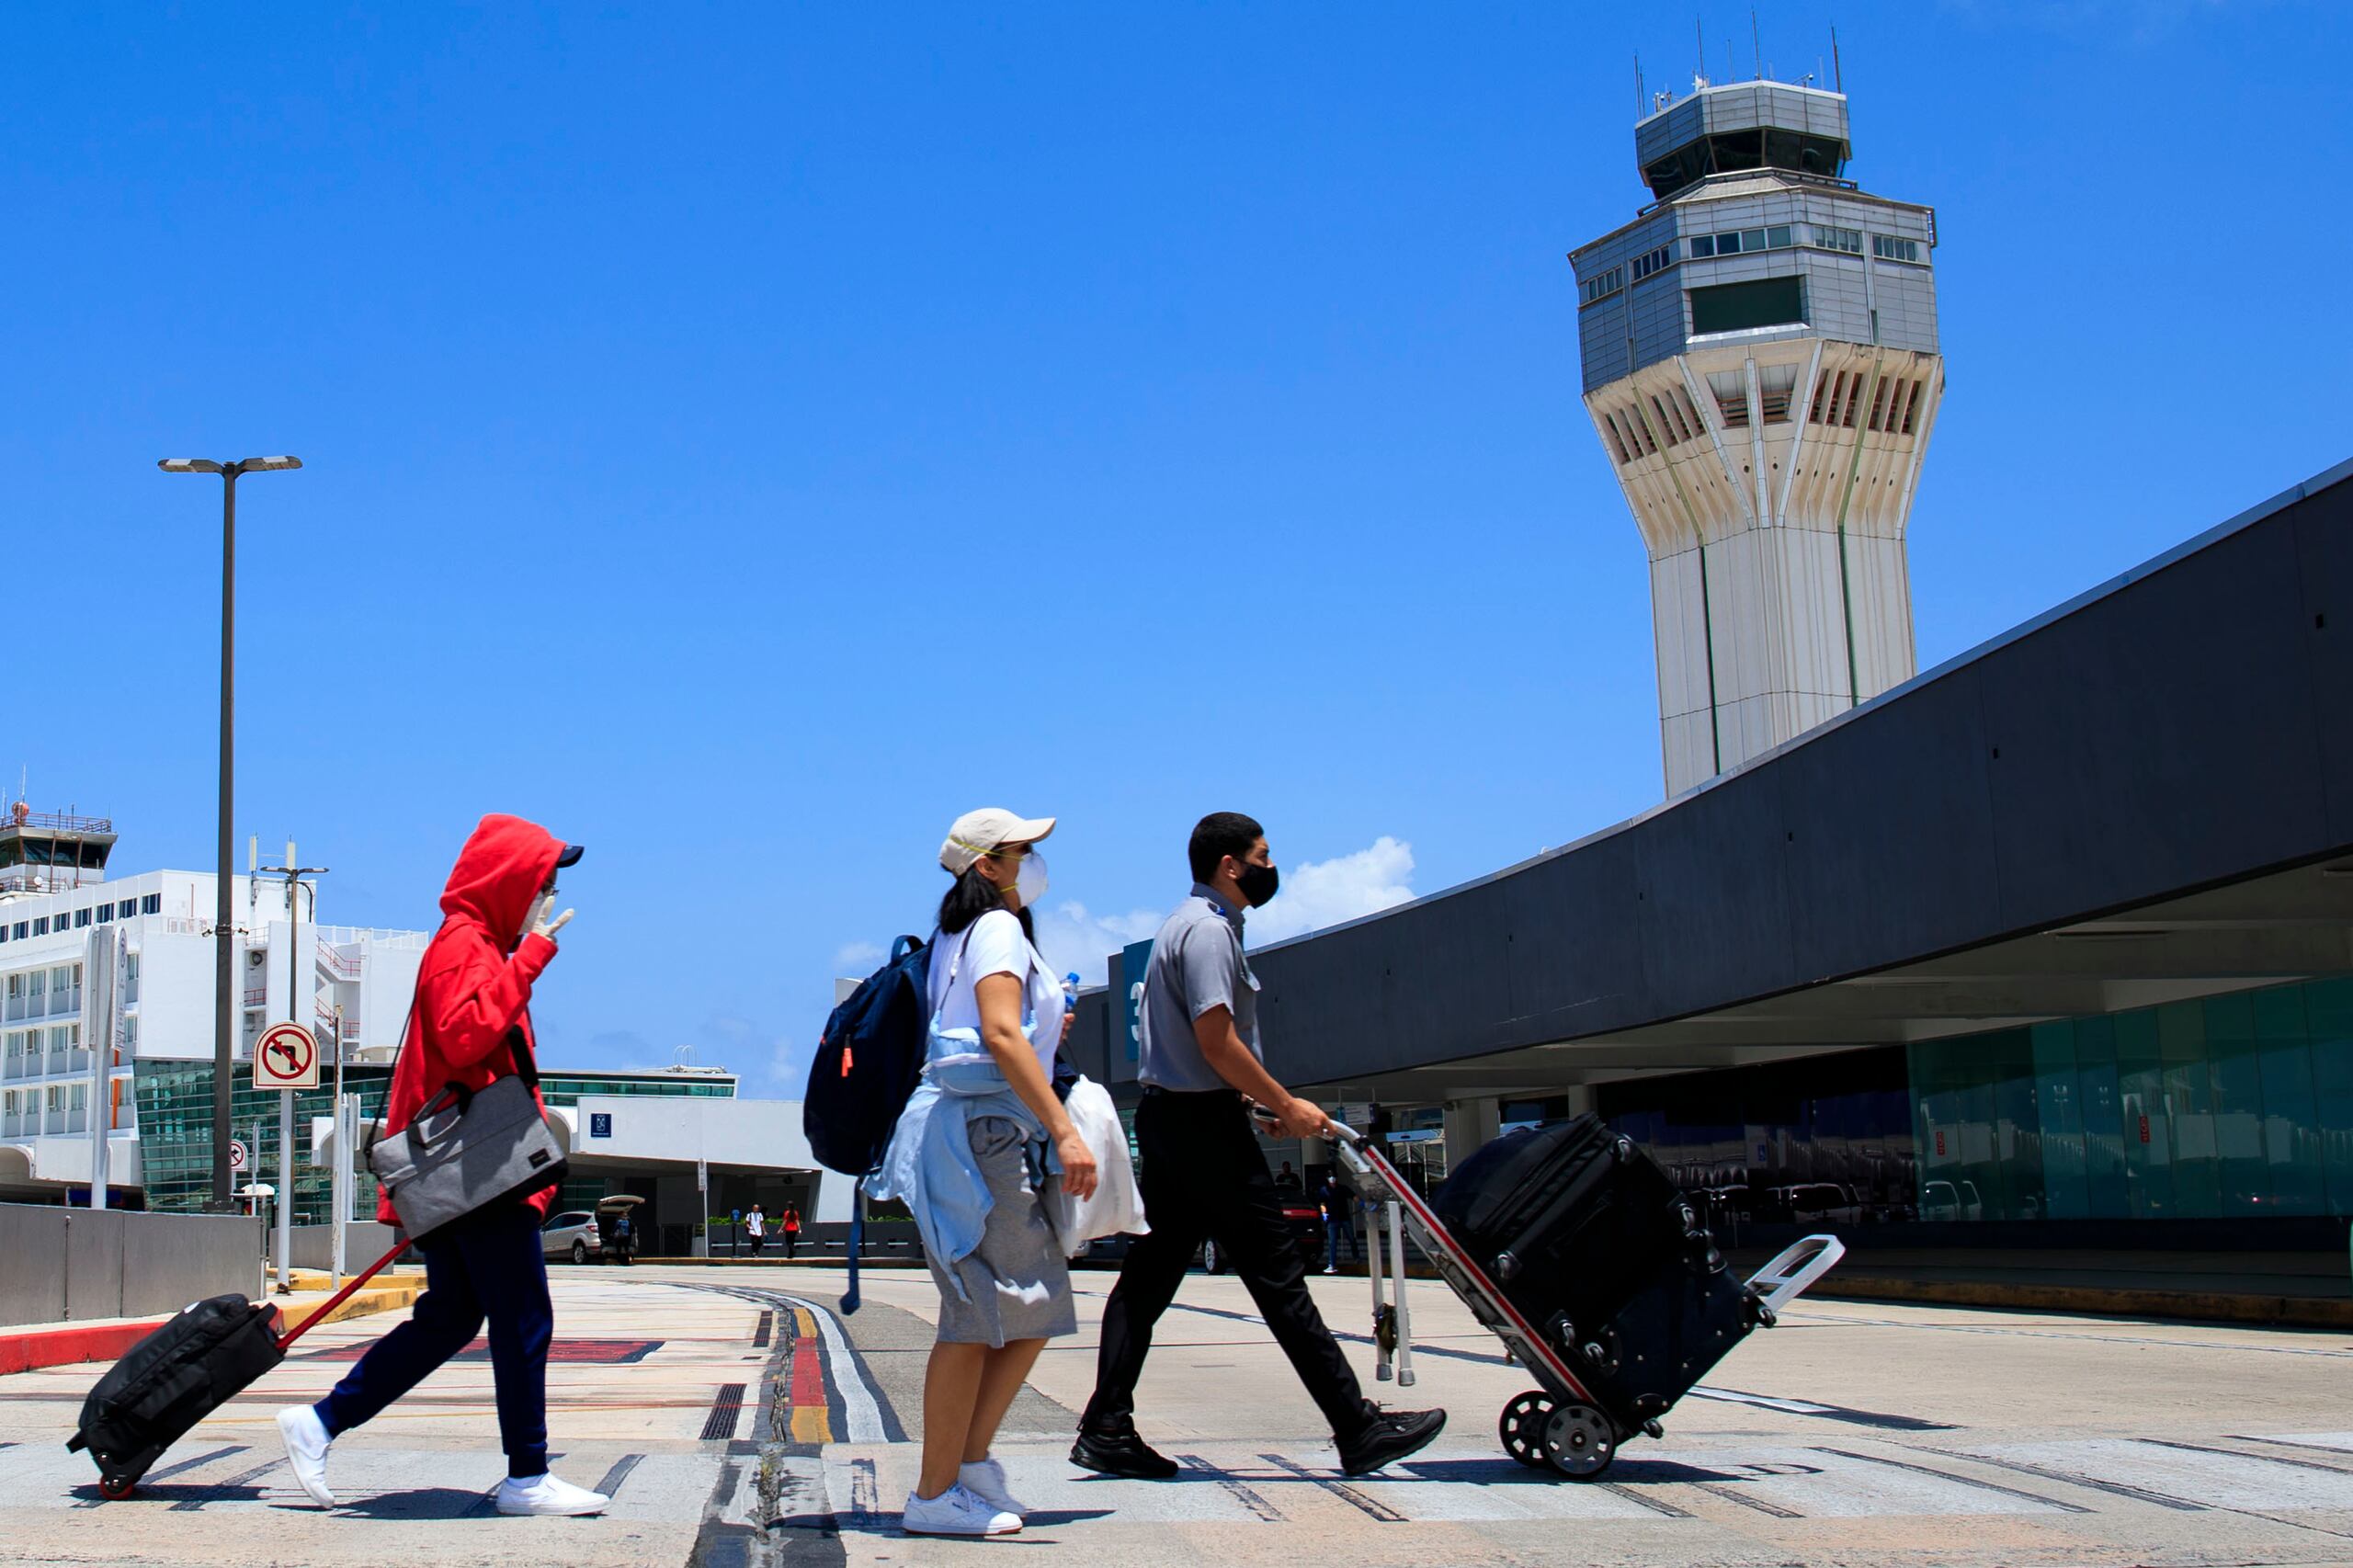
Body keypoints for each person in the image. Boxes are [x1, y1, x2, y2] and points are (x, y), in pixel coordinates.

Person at [1074, 812, 1445, 1480]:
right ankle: (1357, 1430)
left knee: (1148, 1281)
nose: (1272, 867)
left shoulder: (1183, 927)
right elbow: (1217, 1041)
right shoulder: (1210, 932)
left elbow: (1195, 1053)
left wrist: (1251, 1104)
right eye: (1263, 856)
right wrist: (1285, 1103)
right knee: (1279, 1280)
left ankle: (1107, 1425)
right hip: (1204, 1135)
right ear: (1230, 865)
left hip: (1180, 1123)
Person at [275, 814, 609, 1517]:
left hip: (469, 1170)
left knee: (454, 1315)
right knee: (522, 1317)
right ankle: (527, 1475)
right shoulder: (467, 945)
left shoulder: (476, 942)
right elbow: (465, 1039)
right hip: (478, 1171)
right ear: (507, 880)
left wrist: (520, 954)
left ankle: (320, 1421)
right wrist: (533, 957)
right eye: (540, 882)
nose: (545, 897)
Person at [867, 808, 1098, 1538]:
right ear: (986, 866)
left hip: (972, 1129)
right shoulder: (995, 928)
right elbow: (997, 1033)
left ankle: (967, 1467)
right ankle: (937, 1492)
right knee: (977, 1316)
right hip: (984, 1136)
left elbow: (994, 1028)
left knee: (1024, 1307)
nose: (1033, 863)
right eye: (1021, 851)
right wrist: (1064, 1131)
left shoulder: (956, 936)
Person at [1323, 1172, 1362, 1274]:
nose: (1332, 1178)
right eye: (1330, 1177)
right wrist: (1324, 1214)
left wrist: (1362, 1203)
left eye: (1334, 1176)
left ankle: (1357, 1257)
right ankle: (1332, 1264)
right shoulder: (1324, 1190)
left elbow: (1353, 1196)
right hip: (1332, 1219)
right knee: (1332, 1243)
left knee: (1351, 1239)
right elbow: (1322, 1203)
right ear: (1327, 1178)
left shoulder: (1343, 1188)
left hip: (1344, 1218)